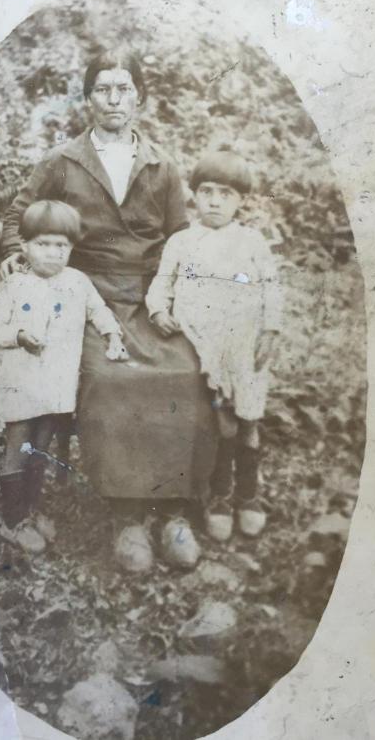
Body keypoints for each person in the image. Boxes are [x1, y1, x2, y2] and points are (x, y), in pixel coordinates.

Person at [0, 50, 218, 569]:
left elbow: (181, 239)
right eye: (103, 89)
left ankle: (175, 511)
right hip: (85, 295)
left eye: (124, 88)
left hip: (151, 296)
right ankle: (128, 517)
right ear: (88, 98)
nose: (114, 99)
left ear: (139, 96)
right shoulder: (64, 160)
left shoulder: (161, 166)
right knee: (110, 378)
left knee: (186, 372)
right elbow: (17, 216)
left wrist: (183, 295)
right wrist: (16, 254)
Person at [145, 150, 283, 542]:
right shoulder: (182, 242)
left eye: (226, 194)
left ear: (241, 200)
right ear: (194, 194)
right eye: (207, 191)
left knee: (248, 421)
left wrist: (271, 331)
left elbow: (272, 288)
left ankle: (249, 495)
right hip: (201, 348)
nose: (215, 201)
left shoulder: (251, 241)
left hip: (244, 346)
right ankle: (220, 496)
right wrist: (158, 310)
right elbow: (162, 283)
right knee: (221, 424)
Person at [0, 200, 128, 554]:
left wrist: (112, 334)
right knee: (18, 447)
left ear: (72, 247)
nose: (52, 253)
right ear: (24, 245)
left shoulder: (77, 282)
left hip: (56, 385)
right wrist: (18, 336)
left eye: (61, 245)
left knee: (40, 449)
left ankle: (31, 510)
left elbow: (98, 310)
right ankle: (12, 521)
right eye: (43, 244)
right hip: (21, 385)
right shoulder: (15, 285)